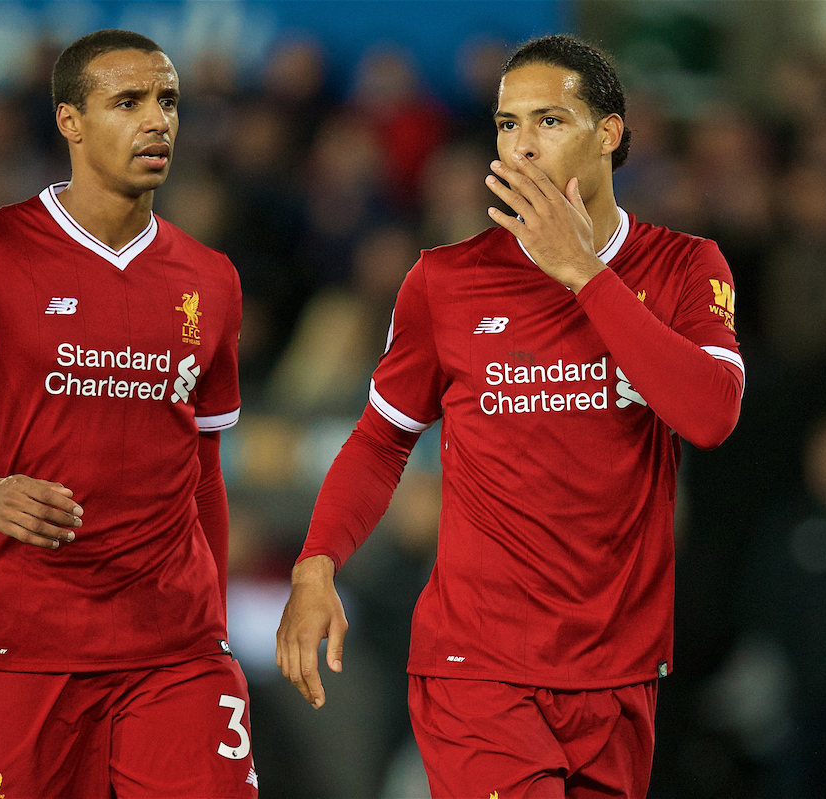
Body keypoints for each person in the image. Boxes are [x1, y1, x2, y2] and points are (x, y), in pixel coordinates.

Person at [276, 34, 744, 798]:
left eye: (549, 121)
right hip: (477, 668)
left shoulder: (686, 267)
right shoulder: (445, 282)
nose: (521, 145)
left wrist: (584, 274)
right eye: (506, 124)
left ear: (609, 134)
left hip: (618, 671)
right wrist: (317, 560)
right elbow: (381, 440)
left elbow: (711, 414)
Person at [0, 29, 257, 799]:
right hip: (21, 646)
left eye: (169, 101)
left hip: (174, 652)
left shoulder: (211, 280)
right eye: (129, 102)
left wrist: (212, 619)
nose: (159, 121)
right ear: (69, 121)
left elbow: (203, 474)